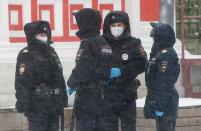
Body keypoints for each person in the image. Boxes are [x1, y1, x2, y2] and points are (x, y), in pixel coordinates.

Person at [15, 20, 68, 131]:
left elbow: (59, 76)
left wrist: (63, 98)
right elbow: (22, 81)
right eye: (41, 35)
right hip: (37, 106)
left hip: (53, 105)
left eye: (45, 34)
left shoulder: (51, 51)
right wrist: (23, 103)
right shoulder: (26, 53)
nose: (44, 37)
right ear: (33, 36)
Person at [67, 8, 113, 131]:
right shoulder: (103, 42)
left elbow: (83, 68)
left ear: (84, 23)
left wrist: (71, 83)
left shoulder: (87, 43)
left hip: (88, 97)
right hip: (103, 95)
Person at [102, 11, 147, 131]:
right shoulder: (101, 43)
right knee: (108, 127)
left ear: (125, 26)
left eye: (119, 25)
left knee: (129, 127)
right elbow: (94, 64)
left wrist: (123, 71)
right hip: (107, 94)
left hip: (127, 94)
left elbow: (142, 63)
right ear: (108, 27)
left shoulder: (133, 43)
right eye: (113, 25)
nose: (116, 28)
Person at [144, 23, 180, 131]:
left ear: (161, 37)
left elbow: (164, 82)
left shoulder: (166, 54)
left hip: (166, 104)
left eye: (155, 37)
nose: (153, 39)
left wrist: (160, 106)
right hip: (160, 100)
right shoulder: (158, 53)